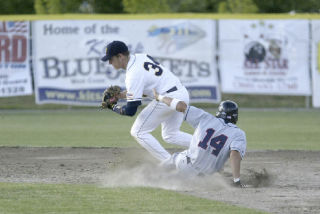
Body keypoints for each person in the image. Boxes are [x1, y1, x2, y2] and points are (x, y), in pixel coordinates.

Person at [101, 40, 192, 163]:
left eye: (111, 59)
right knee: (171, 134)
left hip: (167, 98)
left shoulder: (133, 74)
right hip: (181, 93)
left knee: (138, 132)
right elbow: (149, 87)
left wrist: (112, 106)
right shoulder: (141, 57)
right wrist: (121, 95)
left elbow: (130, 111)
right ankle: (207, 146)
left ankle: (170, 163)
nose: (110, 62)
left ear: (120, 56)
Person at [153, 89, 247, 187]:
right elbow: (234, 154)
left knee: (174, 159)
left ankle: (152, 173)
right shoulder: (239, 134)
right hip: (205, 178)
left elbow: (181, 106)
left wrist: (159, 97)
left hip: (186, 164)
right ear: (235, 116)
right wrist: (237, 180)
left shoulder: (206, 118)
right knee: (215, 167)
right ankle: (175, 179)